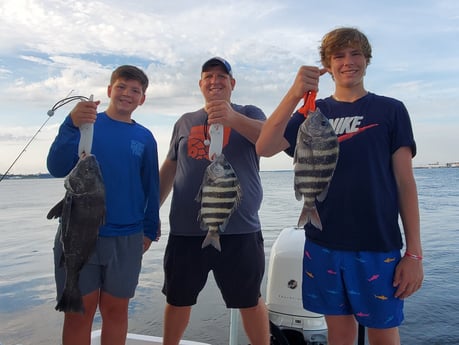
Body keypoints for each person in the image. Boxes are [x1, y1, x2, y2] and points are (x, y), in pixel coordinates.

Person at [256, 28, 424, 345]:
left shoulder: (391, 110)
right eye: (339, 56)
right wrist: (294, 93)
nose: (348, 61)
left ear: (367, 59)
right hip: (323, 243)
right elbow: (264, 147)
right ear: (327, 65)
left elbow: (405, 182)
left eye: (355, 53)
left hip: (377, 245)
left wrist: (414, 253)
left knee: (384, 333)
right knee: (339, 333)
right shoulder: (312, 113)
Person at [159, 57, 270, 345]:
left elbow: (270, 142)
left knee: (250, 300)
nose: (215, 81)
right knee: (178, 299)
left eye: (222, 76)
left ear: (232, 84)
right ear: (200, 84)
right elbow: (170, 168)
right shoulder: (185, 121)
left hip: (240, 230)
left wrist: (232, 118)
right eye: (209, 76)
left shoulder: (249, 112)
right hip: (185, 230)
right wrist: (149, 214)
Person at [47, 65, 160, 345]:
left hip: (127, 237)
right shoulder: (86, 124)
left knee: (116, 310)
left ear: (142, 99)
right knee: (78, 312)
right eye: (121, 86)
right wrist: (69, 125)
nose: (127, 94)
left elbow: (151, 186)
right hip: (77, 234)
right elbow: (56, 167)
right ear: (110, 91)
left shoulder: (145, 137)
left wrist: (149, 229)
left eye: (135, 90)